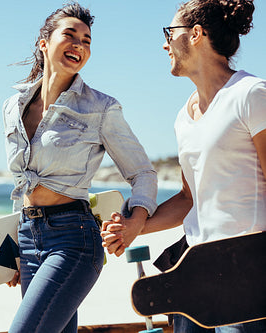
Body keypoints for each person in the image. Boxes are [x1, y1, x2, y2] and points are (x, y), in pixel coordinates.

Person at [101, 0, 266, 332]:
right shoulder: (183, 116)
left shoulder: (251, 94)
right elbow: (189, 199)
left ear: (196, 34)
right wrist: (136, 227)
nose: (165, 43)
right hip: (192, 270)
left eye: (170, 33)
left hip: (244, 270)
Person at [2, 3, 158, 332]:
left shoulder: (100, 108)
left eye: (86, 41)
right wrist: (15, 246)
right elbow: (22, 184)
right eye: (70, 36)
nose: (79, 45)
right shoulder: (13, 106)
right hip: (29, 239)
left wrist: (136, 221)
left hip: (73, 240)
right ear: (43, 43)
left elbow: (142, 172)